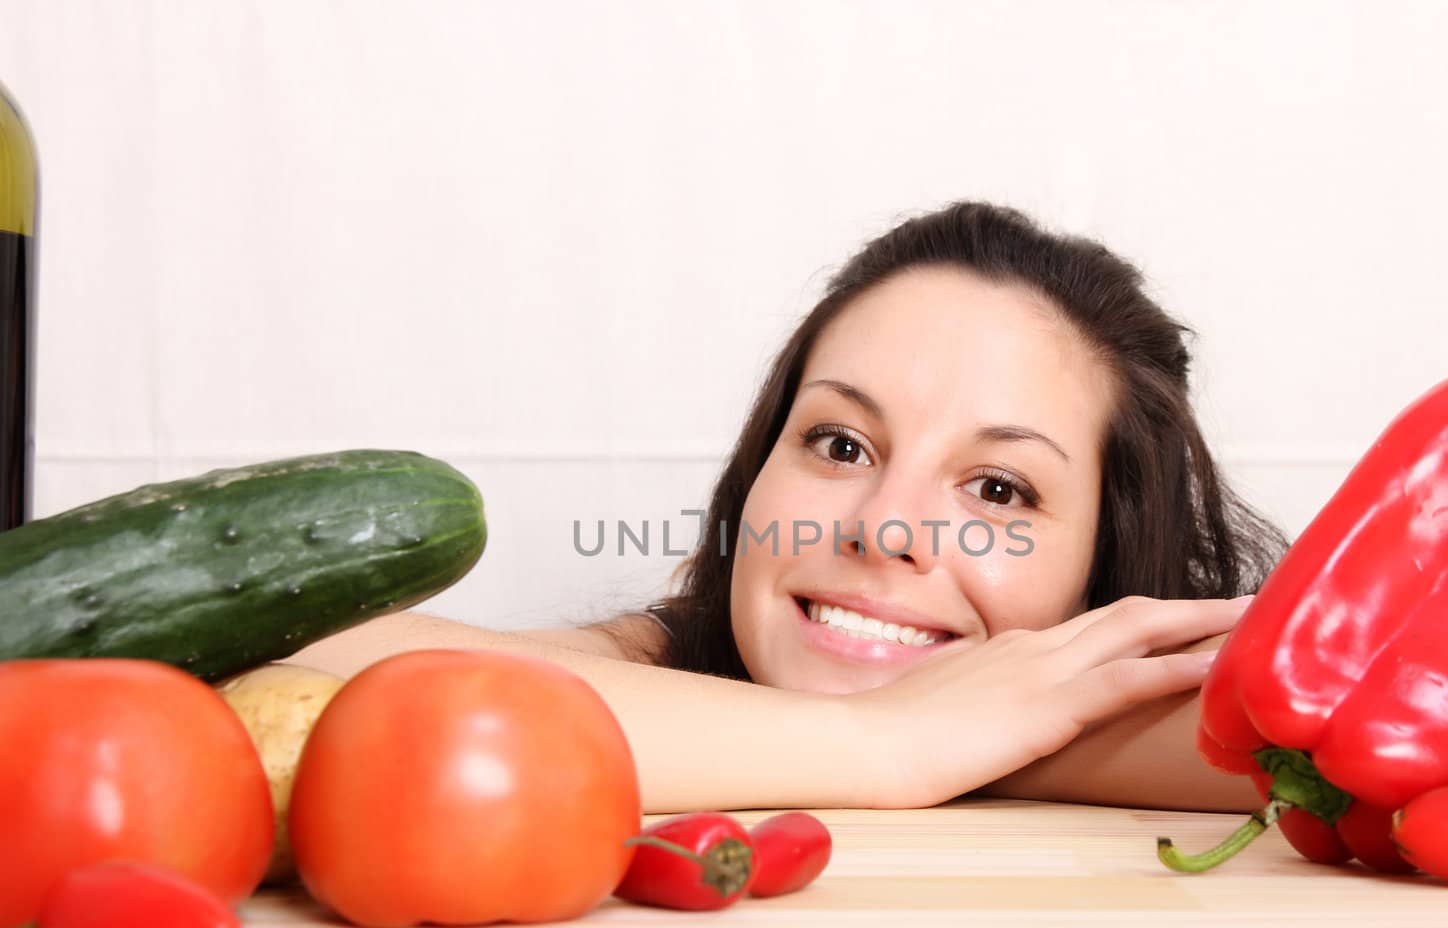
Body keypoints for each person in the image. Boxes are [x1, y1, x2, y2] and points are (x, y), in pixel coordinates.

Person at [287, 200, 1287, 816]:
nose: (883, 527)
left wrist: (993, 732)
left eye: (997, 489)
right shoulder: (657, 657)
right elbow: (288, 659)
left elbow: (1383, 739)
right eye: (840, 443)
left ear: (1105, 565)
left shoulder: (1100, 712)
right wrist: (891, 743)